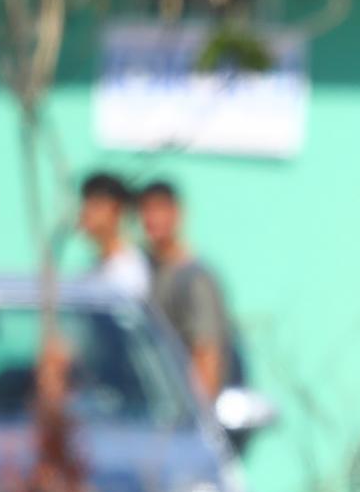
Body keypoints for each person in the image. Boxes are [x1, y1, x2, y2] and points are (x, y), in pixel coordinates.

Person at [137, 179, 240, 401]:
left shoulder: (195, 279)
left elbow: (207, 356)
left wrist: (194, 426)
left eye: (160, 209)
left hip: (178, 415)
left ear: (177, 213)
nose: (152, 219)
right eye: (146, 210)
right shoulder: (142, 269)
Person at [78, 172, 151, 300]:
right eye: (86, 203)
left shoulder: (127, 270)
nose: (86, 212)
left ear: (117, 210)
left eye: (96, 205)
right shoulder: (98, 265)